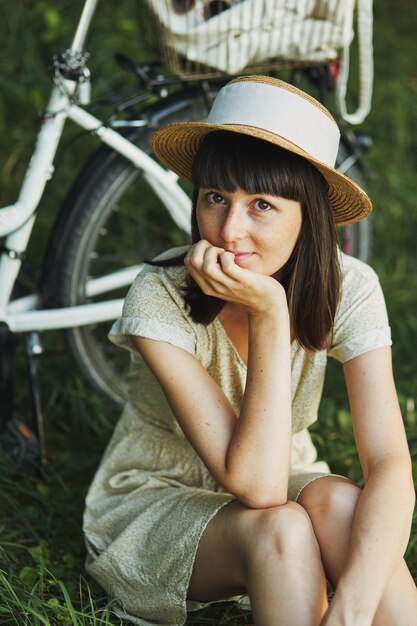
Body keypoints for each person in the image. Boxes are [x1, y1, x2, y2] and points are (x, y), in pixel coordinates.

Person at [83, 75, 417, 626]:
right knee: (281, 527)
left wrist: (352, 607)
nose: (229, 230)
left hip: (285, 480)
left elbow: (388, 465)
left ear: (310, 214)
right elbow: (257, 488)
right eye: (216, 198)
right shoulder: (158, 292)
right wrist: (269, 312)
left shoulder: (350, 287)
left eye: (261, 204)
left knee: (341, 505)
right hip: (160, 498)